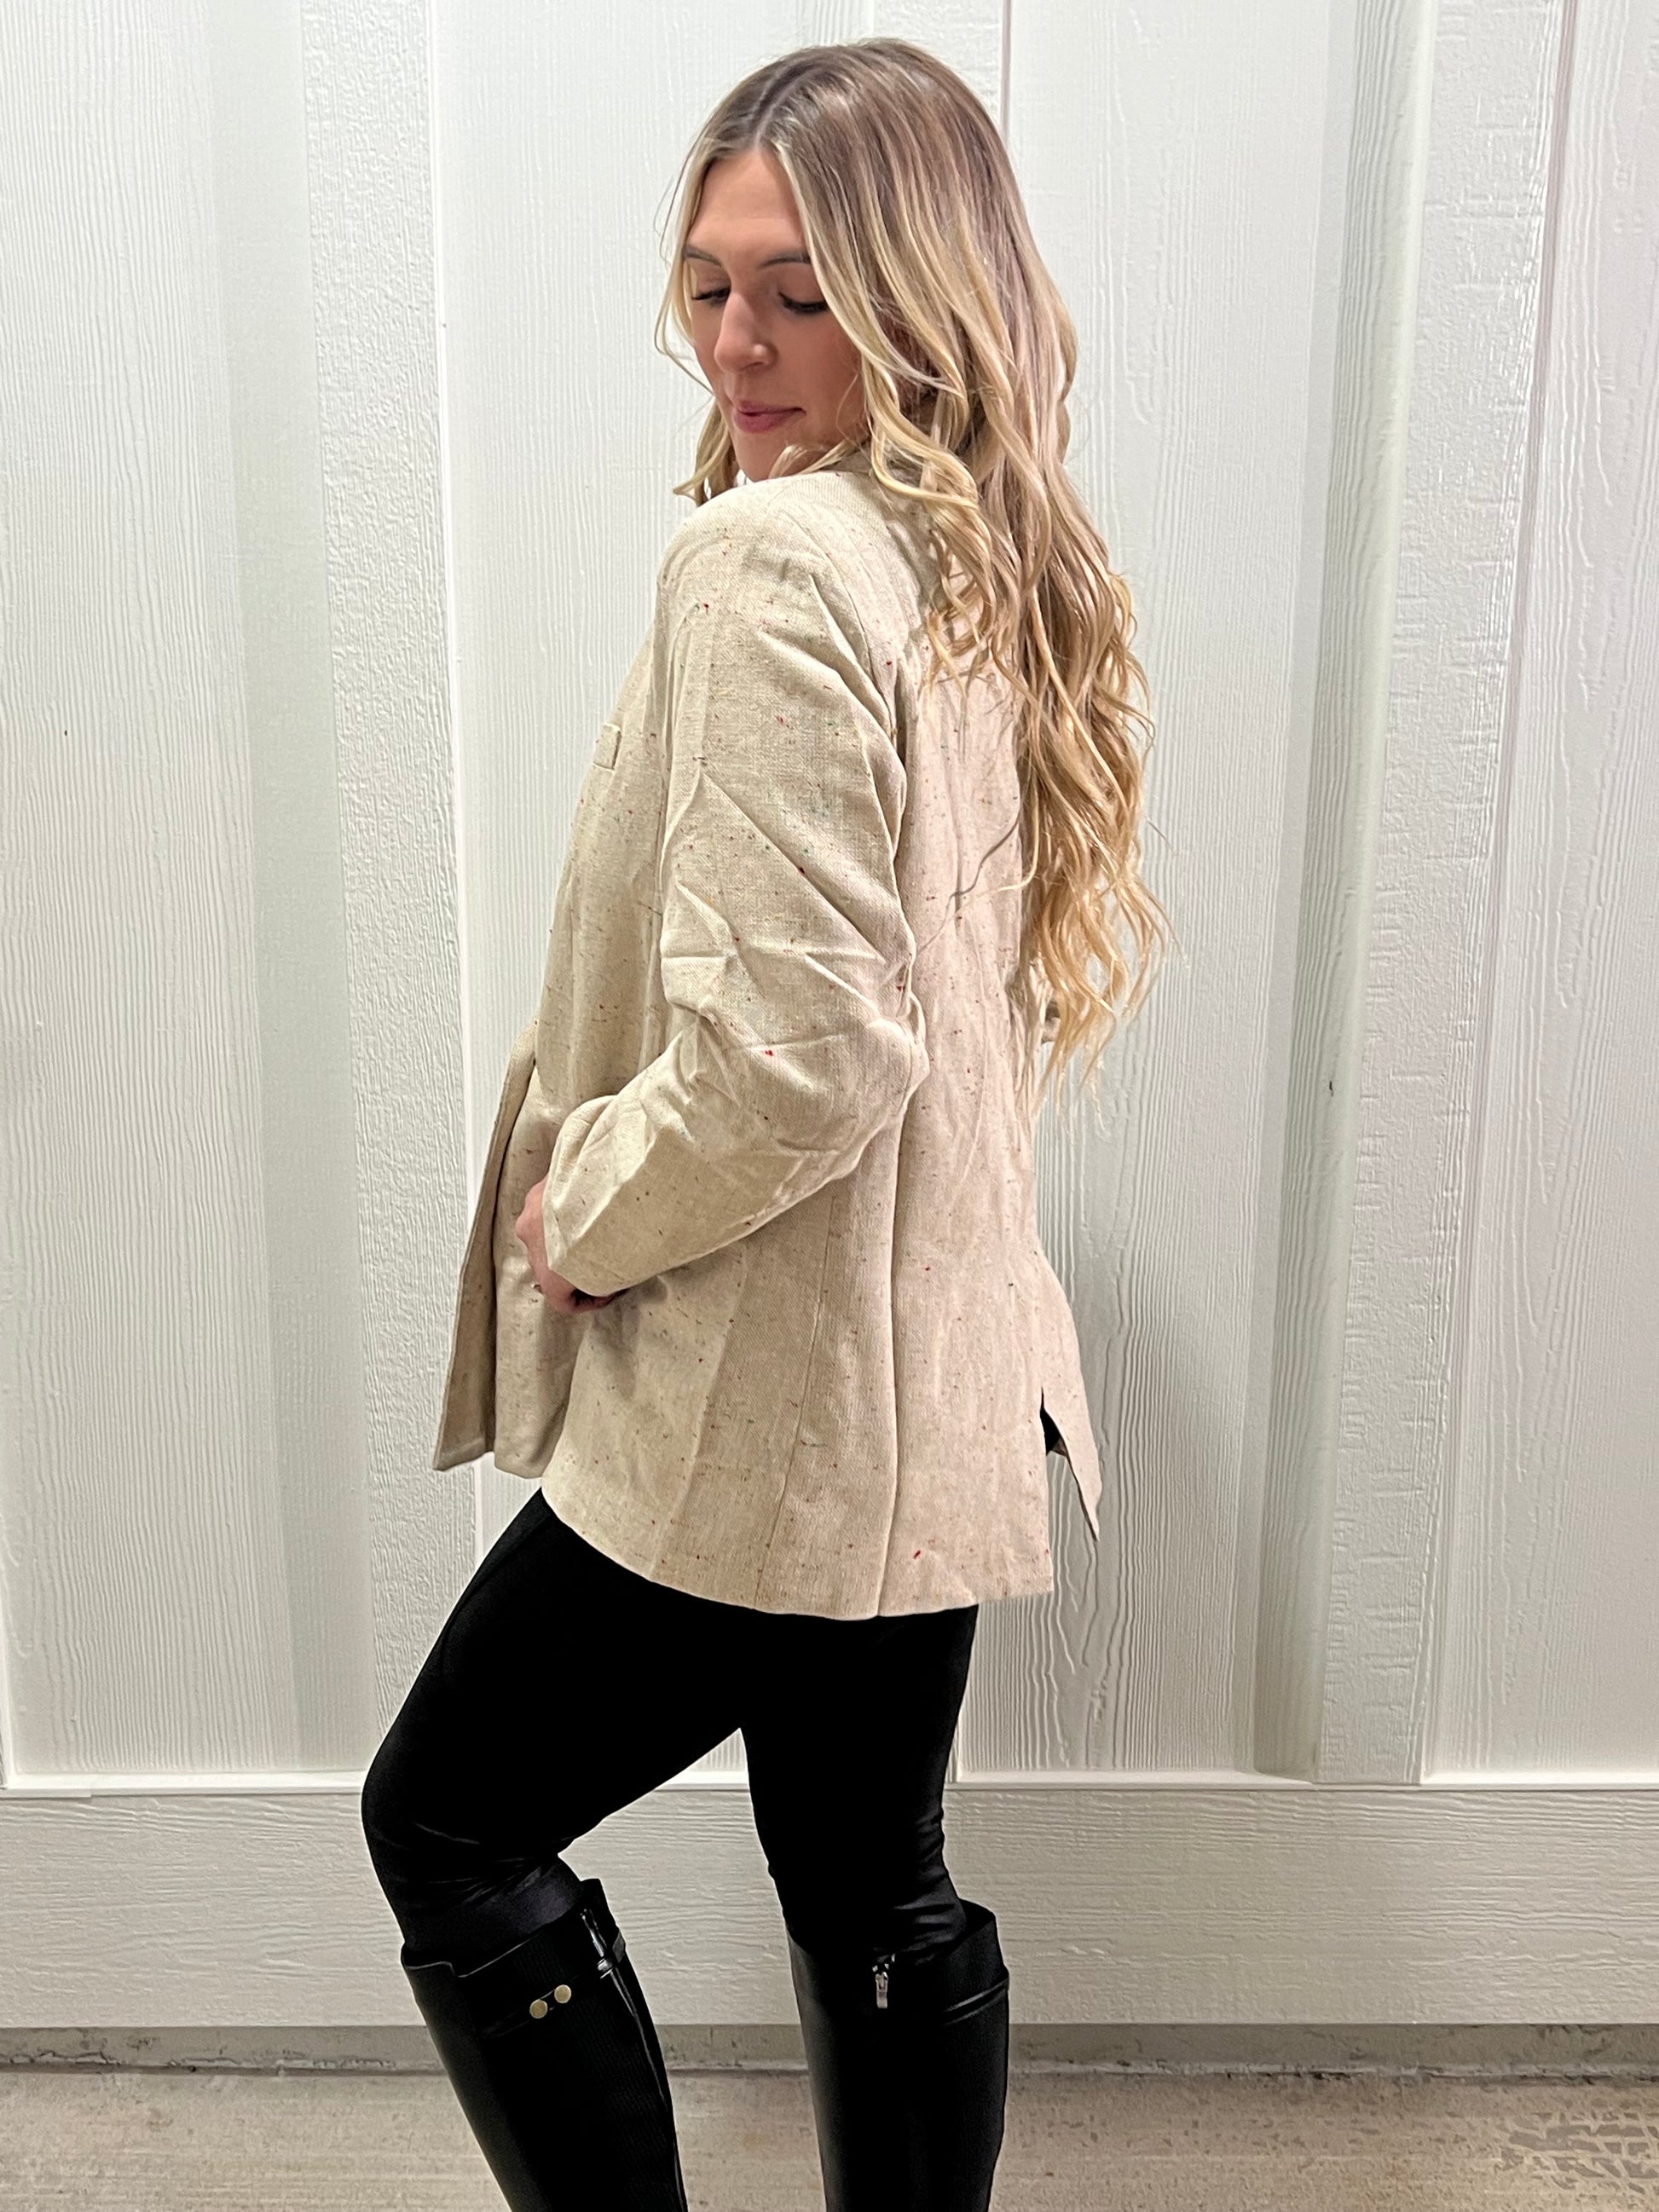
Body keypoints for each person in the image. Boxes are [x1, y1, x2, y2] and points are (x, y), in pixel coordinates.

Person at [361, 36, 1168, 2212]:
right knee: (865, 1868)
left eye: (801, 293)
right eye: (710, 285)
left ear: (921, 298)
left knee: (445, 1814)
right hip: (942, 1369)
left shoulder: (774, 566)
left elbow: (800, 1050)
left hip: (782, 1394)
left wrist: (587, 1207)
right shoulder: (972, 548)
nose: (737, 342)